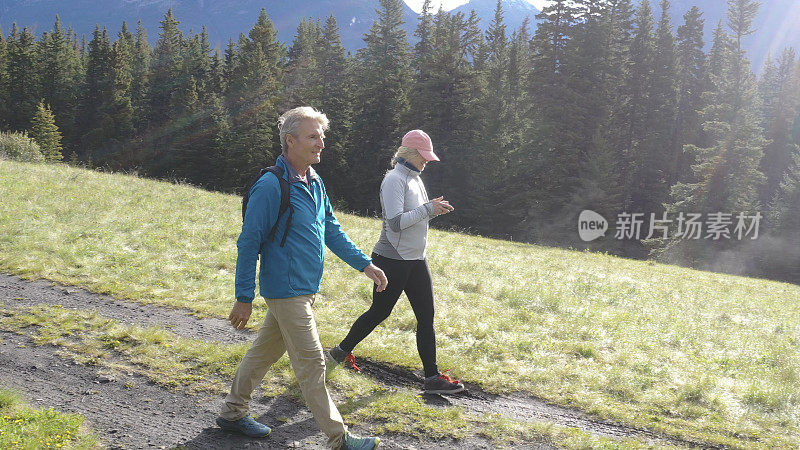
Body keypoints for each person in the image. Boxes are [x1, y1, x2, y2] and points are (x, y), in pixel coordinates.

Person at [216, 106, 387, 450]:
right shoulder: (270, 185)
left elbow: (331, 230)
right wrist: (243, 297)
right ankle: (338, 439)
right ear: (290, 142)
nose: (321, 143)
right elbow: (249, 242)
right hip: (286, 290)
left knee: (264, 352)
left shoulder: (314, 180)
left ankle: (233, 413)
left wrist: (365, 265)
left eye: (322, 136)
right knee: (312, 363)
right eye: (313, 136)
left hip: (304, 288)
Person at [326, 130, 465, 395]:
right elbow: (396, 223)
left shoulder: (416, 179)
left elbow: (415, 218)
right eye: (424, 157)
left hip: (415, 260)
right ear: (411, 154)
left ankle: (432, 378)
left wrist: (433, 210)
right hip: (392, 260)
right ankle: (339, 353)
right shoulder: (394, 179)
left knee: (426, 317)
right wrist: (427, 209)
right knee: (379, 313)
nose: (427, 162)